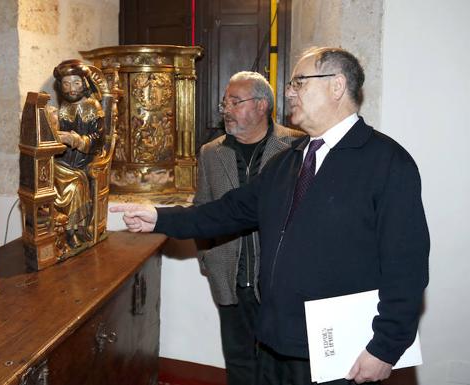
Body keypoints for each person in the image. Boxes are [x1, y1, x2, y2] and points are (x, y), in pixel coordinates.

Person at [111, 47, 429, 385]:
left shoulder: (387, 162)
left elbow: (406, 267)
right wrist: (159, 219)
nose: (289, 92)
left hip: (340, 353)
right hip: (275, 342)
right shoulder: (288, 162)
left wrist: (385, 347)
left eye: (299, 83)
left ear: (337, 86)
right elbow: (228, 211)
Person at [195, 71, 302, 385]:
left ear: (261, 105)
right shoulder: (210, 153)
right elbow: (203, 208)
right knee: (238, 359)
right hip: (231, 278)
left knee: (281, 364)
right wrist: (208, 261)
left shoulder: (295, 145)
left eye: (235, 101)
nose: (226, 109)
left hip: (280, 281)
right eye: (225, 102)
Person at [52, 59, 106, 248]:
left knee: (75, 184)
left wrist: (78, 141)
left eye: (76, 83)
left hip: (84, 160)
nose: (71, 88)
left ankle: (74, 230)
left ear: (84, 83)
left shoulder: (93, 106)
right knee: (46, 176)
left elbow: (99, 138)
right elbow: (58, 131)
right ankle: (57, 227)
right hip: (63, 159)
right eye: (66, 84)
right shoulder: (65, 106)